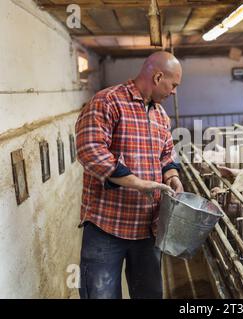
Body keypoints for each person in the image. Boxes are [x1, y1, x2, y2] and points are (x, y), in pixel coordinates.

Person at [75, 51, 184, 299]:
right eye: (173, 85)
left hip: (148, 227)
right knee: (100, 294)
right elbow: (89, 150)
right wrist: (137, 183)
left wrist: (172, 177)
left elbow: (167, 154)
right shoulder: (107, 102)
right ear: (158, 77)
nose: (175, 91)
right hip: (107, 226)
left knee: (149, 294)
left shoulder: (160, 115)